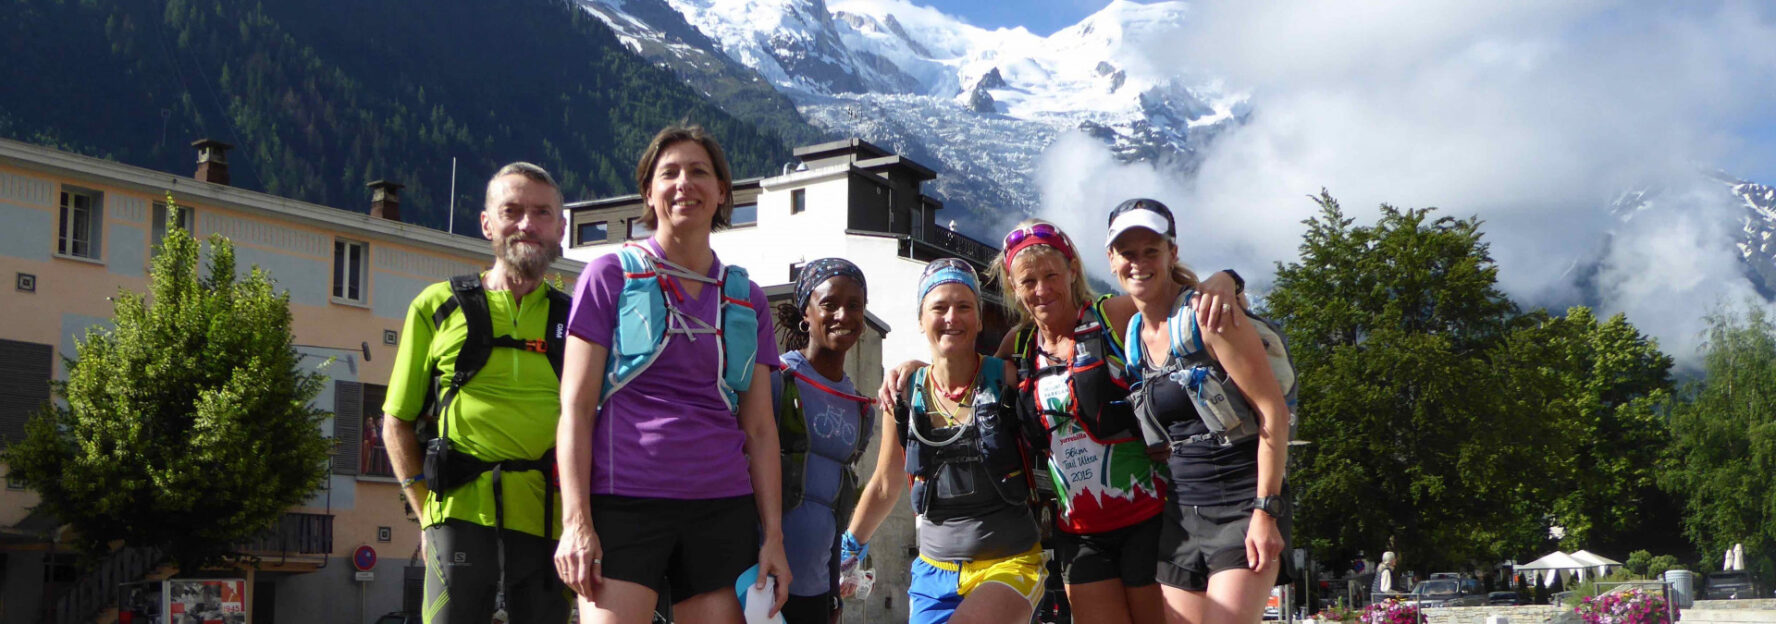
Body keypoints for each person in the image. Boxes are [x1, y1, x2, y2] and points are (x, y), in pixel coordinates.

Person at [554, 124, 790, 624]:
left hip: (721, 508)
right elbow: (574, 408)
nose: (685, 183)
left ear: (723, 192)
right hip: (624, 502)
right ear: (649, 192)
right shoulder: (607, 276)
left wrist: (773, 538)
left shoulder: (747, 300)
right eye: (670, 173)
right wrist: (576, 522)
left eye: (699, 172)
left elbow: (762, 430)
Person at [986, 219, 1244, 624]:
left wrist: (1227, 280)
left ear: (1073, 271)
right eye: (1029, 280)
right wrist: (911, 367)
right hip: (1080, 531)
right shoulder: (1017, 347)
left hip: (1151, 517)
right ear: (1013, 286)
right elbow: (962, 376)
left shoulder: (1113, 316)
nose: (1042, 290)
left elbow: (1177, 300)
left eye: (1052, 275)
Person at [383, 162, 574, 624]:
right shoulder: (436, 306)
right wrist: (425, 512)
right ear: (487, 223)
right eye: (512, 210)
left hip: (552, 525)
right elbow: (396, 421)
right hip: (459, 519)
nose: (527, 223)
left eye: (542, 213)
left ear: (561, 228)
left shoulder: (581, 317)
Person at [1108, 198, 1292, 624]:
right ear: (1111, 259)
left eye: (1151, 251)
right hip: (1181, 514)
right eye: (1128, 253)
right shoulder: (1133, 331)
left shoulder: (1208, 316)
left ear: (1173, 253)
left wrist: (1267, 511)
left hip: (1242, 505)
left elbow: (1273, 412)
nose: (1139, 263)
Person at [844, 259, 1046, 624]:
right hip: (933, 574)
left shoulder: (1007, 379)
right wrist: (850, 548)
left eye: (964, 306)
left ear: (980, 320)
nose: (952, 317)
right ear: (921, 320)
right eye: (939, 307)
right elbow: (887, 484)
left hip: (1010, 566)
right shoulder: (904, 394)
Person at [772, 258, 876, 624]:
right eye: (829, 304)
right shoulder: (777, 379)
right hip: (758, 582)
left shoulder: (861, 409)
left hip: (815, 594)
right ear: (807, 312)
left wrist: (833, 591)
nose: (842, 315)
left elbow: (835, 508)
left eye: (854, 305)